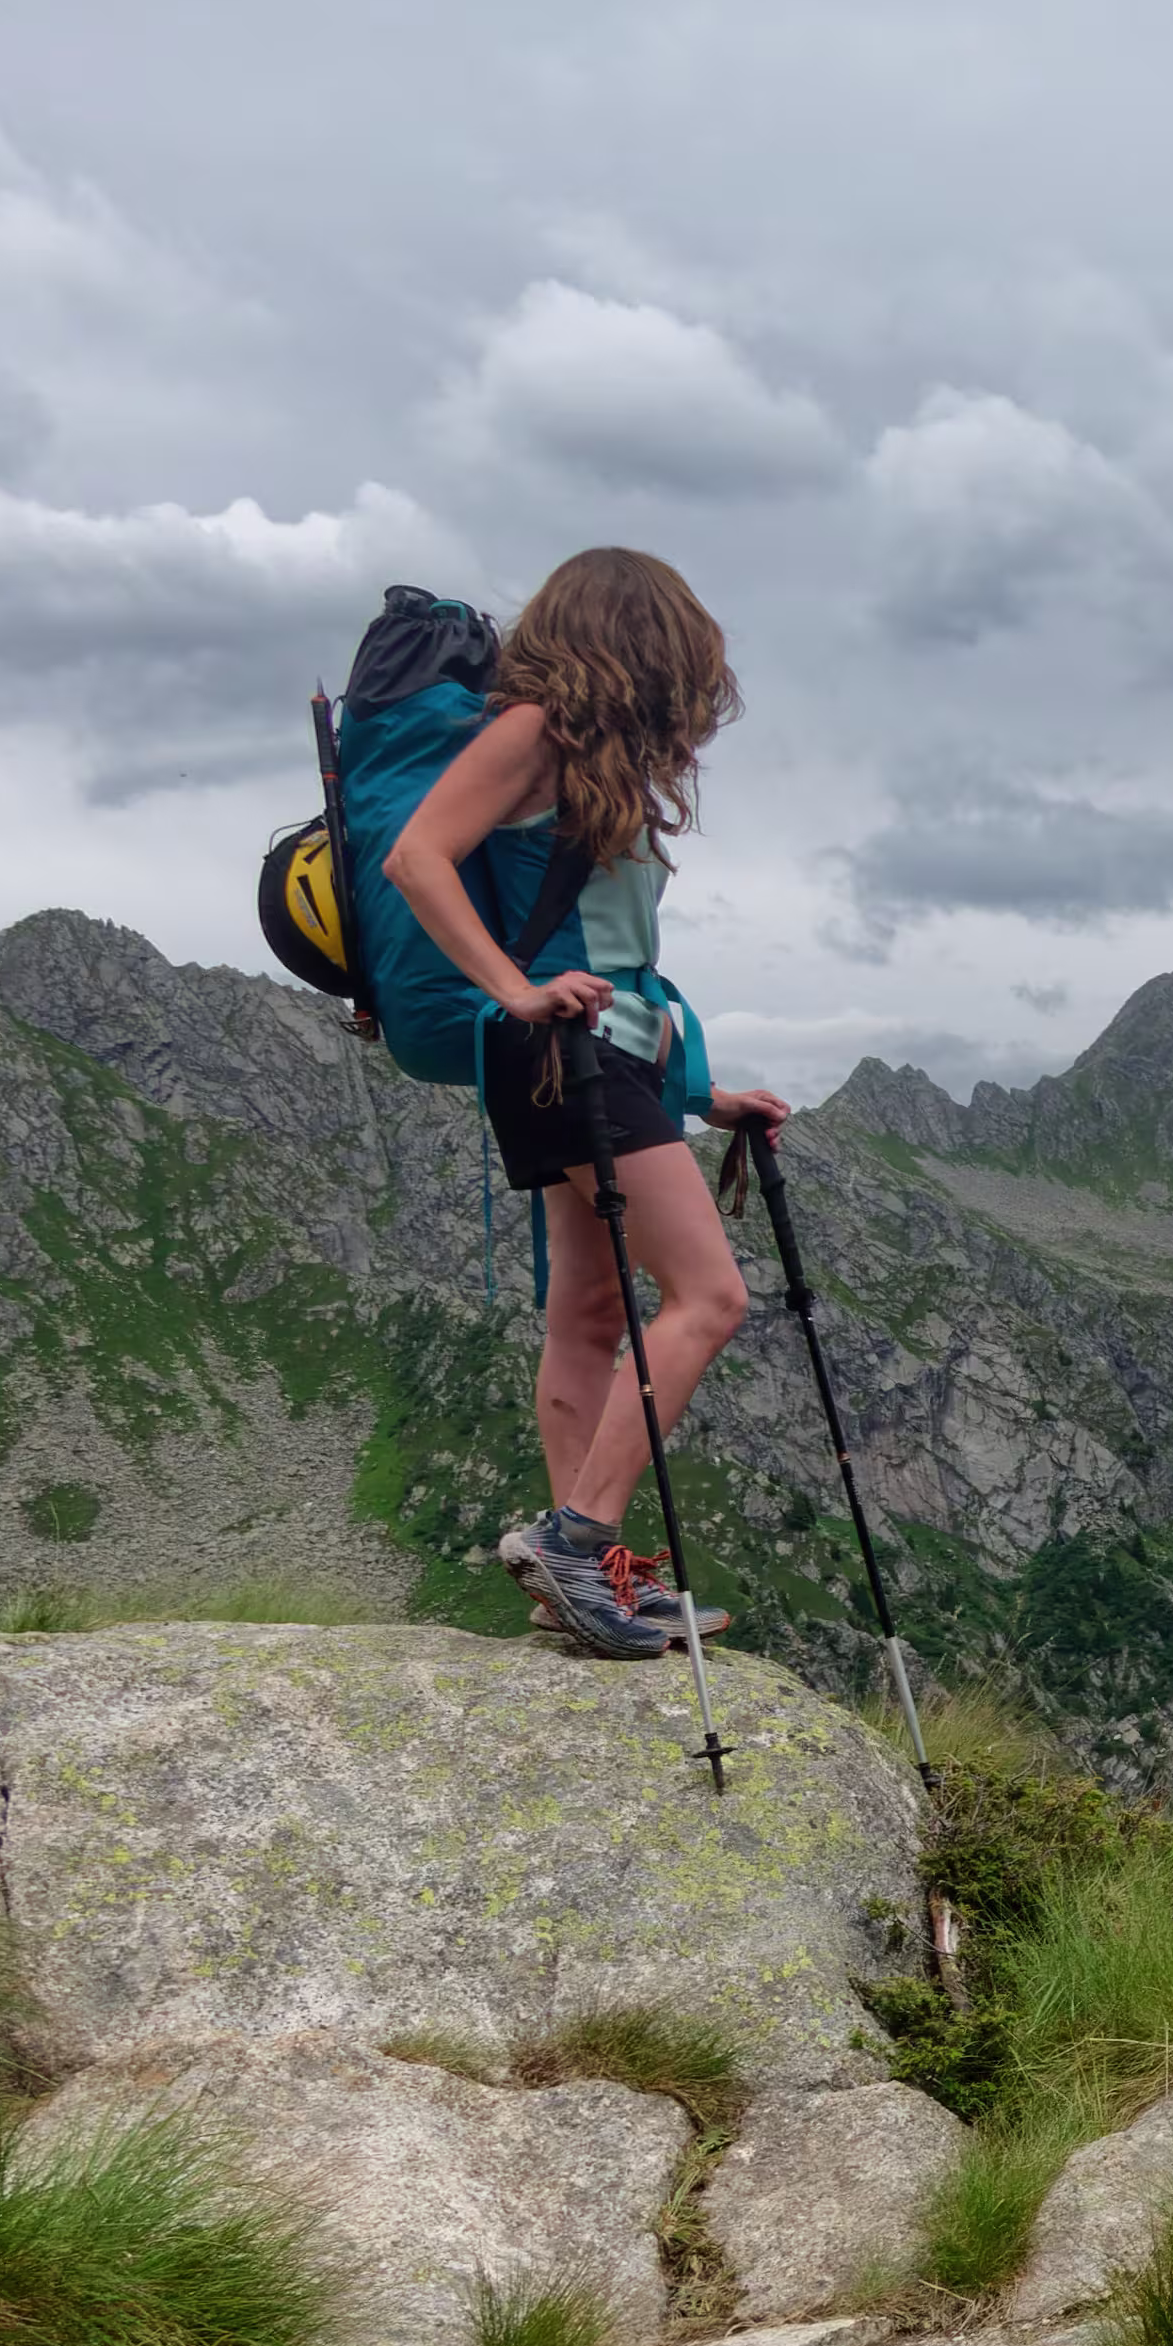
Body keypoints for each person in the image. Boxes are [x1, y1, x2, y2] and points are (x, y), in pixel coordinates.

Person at [375, 547, 791, 1658]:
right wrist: (514, 992)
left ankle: (586, 1578)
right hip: (560, 1055)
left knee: (593, 1318)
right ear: (635, 645)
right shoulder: (529, 734)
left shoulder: (592, 764)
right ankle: (579, 1535)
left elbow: (617, 950)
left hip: (604, 1053)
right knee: (711, 1298)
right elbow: (417, 859)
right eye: (678, 661)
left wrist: (704, 1093)